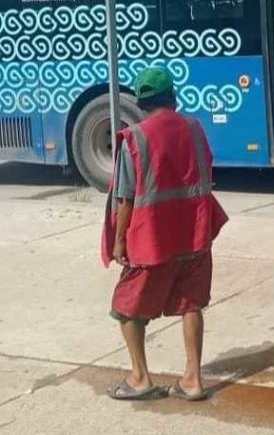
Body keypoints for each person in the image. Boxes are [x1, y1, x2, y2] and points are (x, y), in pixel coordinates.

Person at [101, 66, 229, 402]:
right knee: (191, 304)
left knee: (127, 308)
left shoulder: (136, 137)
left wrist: (118, 241)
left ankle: (141, 378)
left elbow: (126, 199)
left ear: (141, 102)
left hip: (153, 239)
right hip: (195, 234)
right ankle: (193, 379)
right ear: (172, 98)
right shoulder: (195, 128)